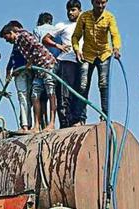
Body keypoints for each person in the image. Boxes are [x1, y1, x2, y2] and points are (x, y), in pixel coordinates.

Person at [0, 23, 57, 131]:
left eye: (7, 38)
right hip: (38, 70)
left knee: (50, 93)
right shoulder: (17, 43)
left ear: (11, 32)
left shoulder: (24, 35)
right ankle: (36, 125)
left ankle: (52, 123)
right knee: (34, 96)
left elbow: (37, 47)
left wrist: (29, 63)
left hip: (47, 65)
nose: (7, 41)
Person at [72, 0, 121, 123]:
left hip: (104, 55)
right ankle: (80, 118)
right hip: (87, 55)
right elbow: (75, 36)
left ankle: (105, 116)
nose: (100, 6)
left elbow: (115, 34)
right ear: (92, 2)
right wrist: (77, 50)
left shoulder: (109, 17)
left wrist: (116, 48)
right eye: (98, 3)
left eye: (103, 3)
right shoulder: (84, 16)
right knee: (83, 85)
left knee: (104, 85)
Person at [42, 0, 83, 128]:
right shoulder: (62, 25)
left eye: (73, 10)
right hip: (67, 61)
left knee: (81, 92)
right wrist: (57, 45)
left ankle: (79, 120)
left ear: (79, 10)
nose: (70, 13)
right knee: (65, 94)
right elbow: (45, 39)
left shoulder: (86, 23)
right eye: (68, 10)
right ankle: (65, 124)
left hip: (83, 61)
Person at [5, 20, 33, 132]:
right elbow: (13, 58)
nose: (8, 41)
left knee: (32, 98)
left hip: (29, 71)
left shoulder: (25, 37)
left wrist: (28, 65)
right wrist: (8, 71)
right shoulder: (17, 43)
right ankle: (25, 125)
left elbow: (34, 51)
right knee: (23, 97)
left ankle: (30, 125)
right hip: (20, 72)